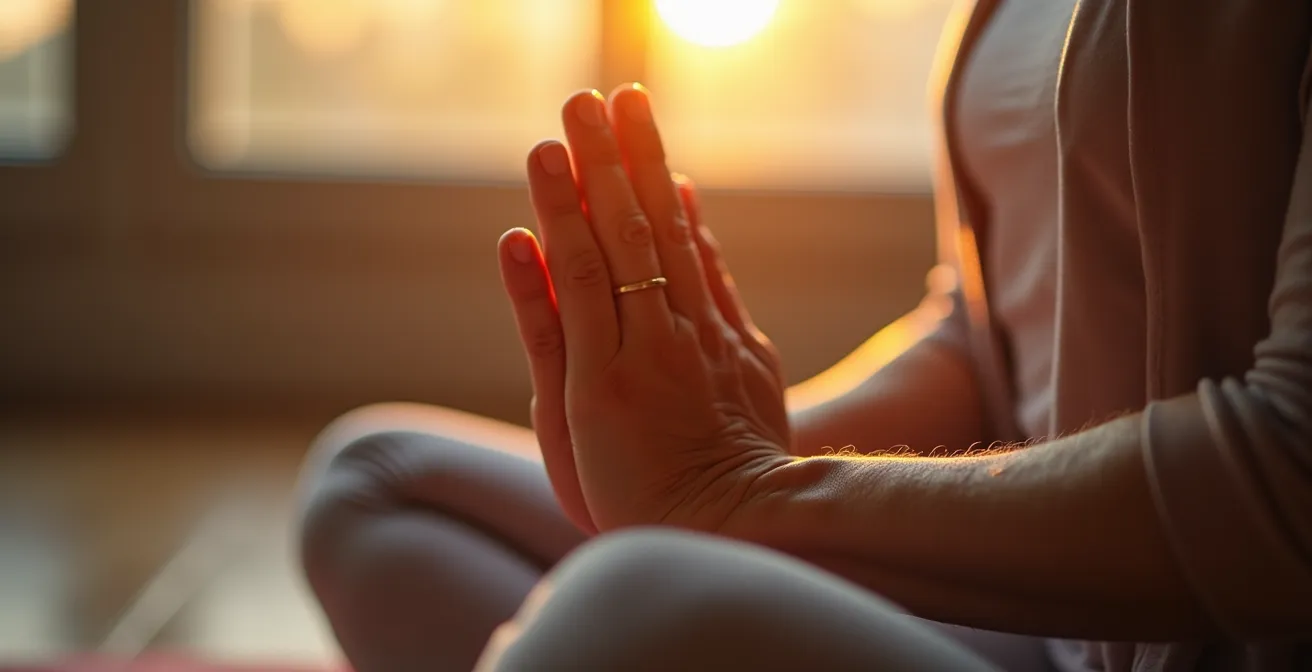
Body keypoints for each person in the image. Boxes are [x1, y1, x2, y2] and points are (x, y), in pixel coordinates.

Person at [295, 1, 1312, 670]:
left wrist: (750, 496)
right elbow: (987, 325)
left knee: (617, 611)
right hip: (1027, 626)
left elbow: (1288, 473)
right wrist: (730, 443)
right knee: (375, 484)